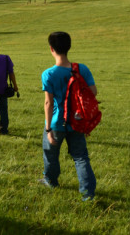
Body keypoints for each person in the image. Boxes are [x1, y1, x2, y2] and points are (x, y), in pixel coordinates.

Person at [39, 31, 97, 201]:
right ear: (69, 47)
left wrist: (48, 128)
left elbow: (48, 103)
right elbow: (93, 92)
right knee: (80, 157)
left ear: (51, 49)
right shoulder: (81, 69)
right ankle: (88, 194)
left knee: (51, 155)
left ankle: (51, 181)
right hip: (77, 122)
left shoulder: (48, 74)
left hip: (56, 123)